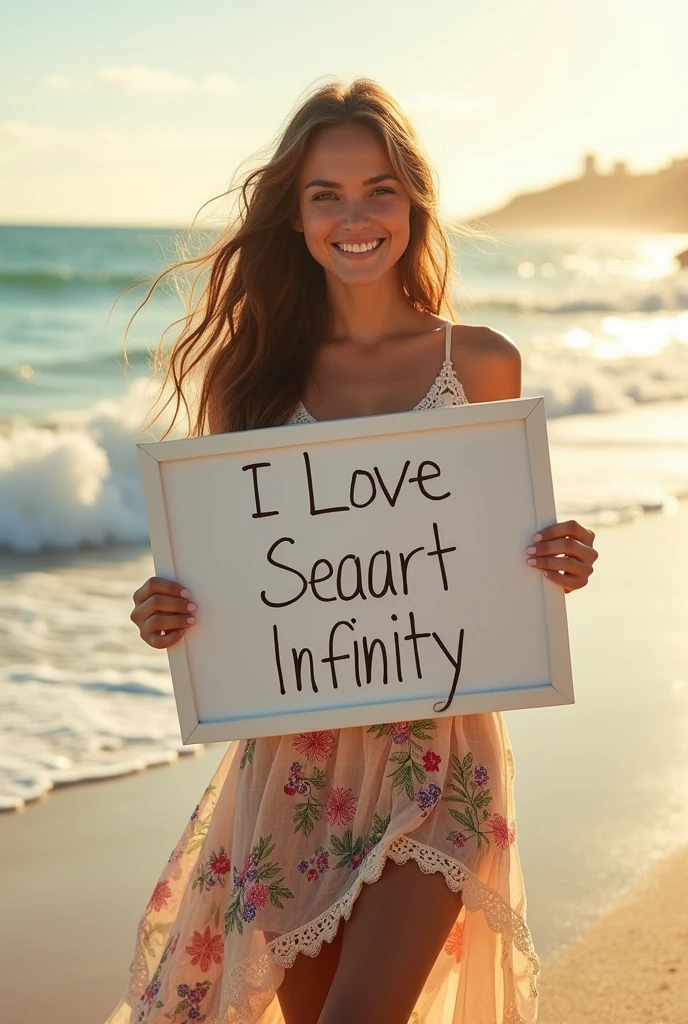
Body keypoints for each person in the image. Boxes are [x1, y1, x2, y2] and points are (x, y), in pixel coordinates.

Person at [109, 78, 598, 1024]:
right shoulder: (250, 383)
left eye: (378, 188)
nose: (355, 216)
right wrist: (169, 613)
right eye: (325, 195)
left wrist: (557, 561)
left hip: (441, 751)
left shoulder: (483, 364)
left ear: (413, 200)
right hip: (295, 763)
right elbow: (230, 584)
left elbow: (496, 563)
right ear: (294, 218)